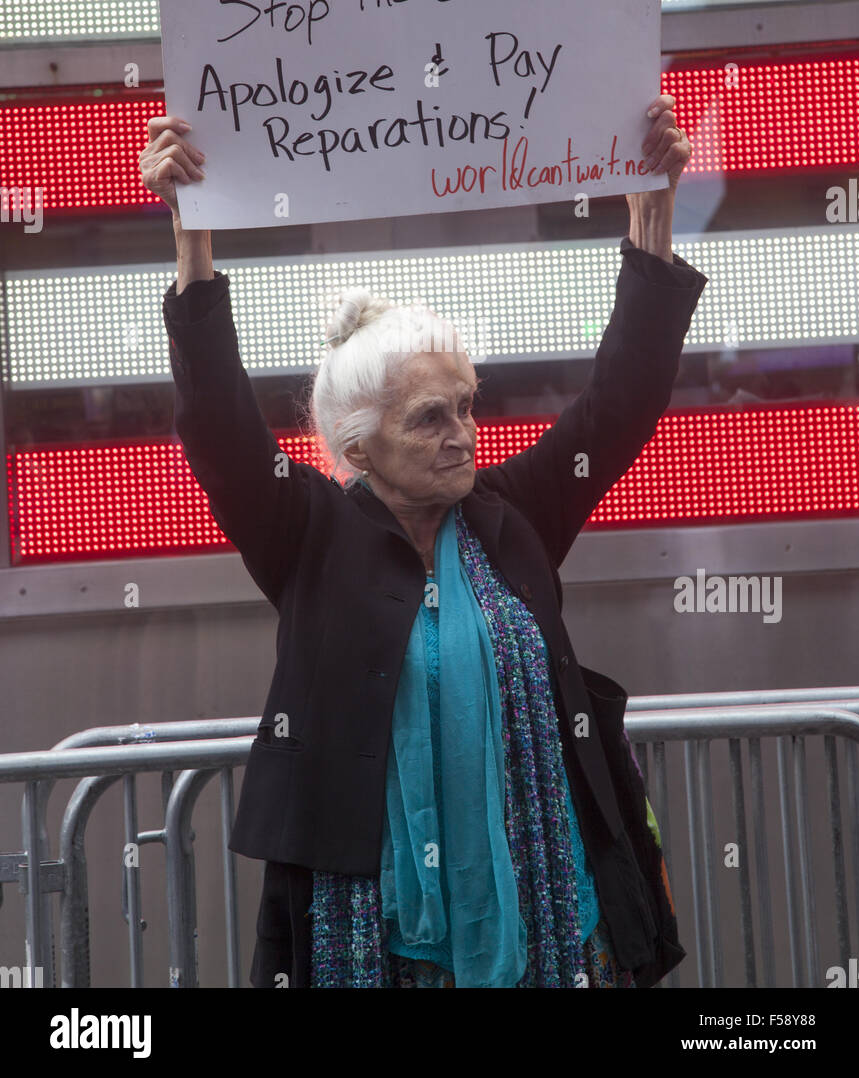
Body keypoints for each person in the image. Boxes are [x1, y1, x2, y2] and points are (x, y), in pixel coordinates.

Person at [141, 95, 707, 988]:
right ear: (357, 445)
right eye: (430, 417)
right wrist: (193, 239)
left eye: (469, 405)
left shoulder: (509, 513)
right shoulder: (307, 534)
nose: (463, 433)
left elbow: (622, 401)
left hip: (553, 922)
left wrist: (652, 224)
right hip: (376, 940)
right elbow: (217, 423)